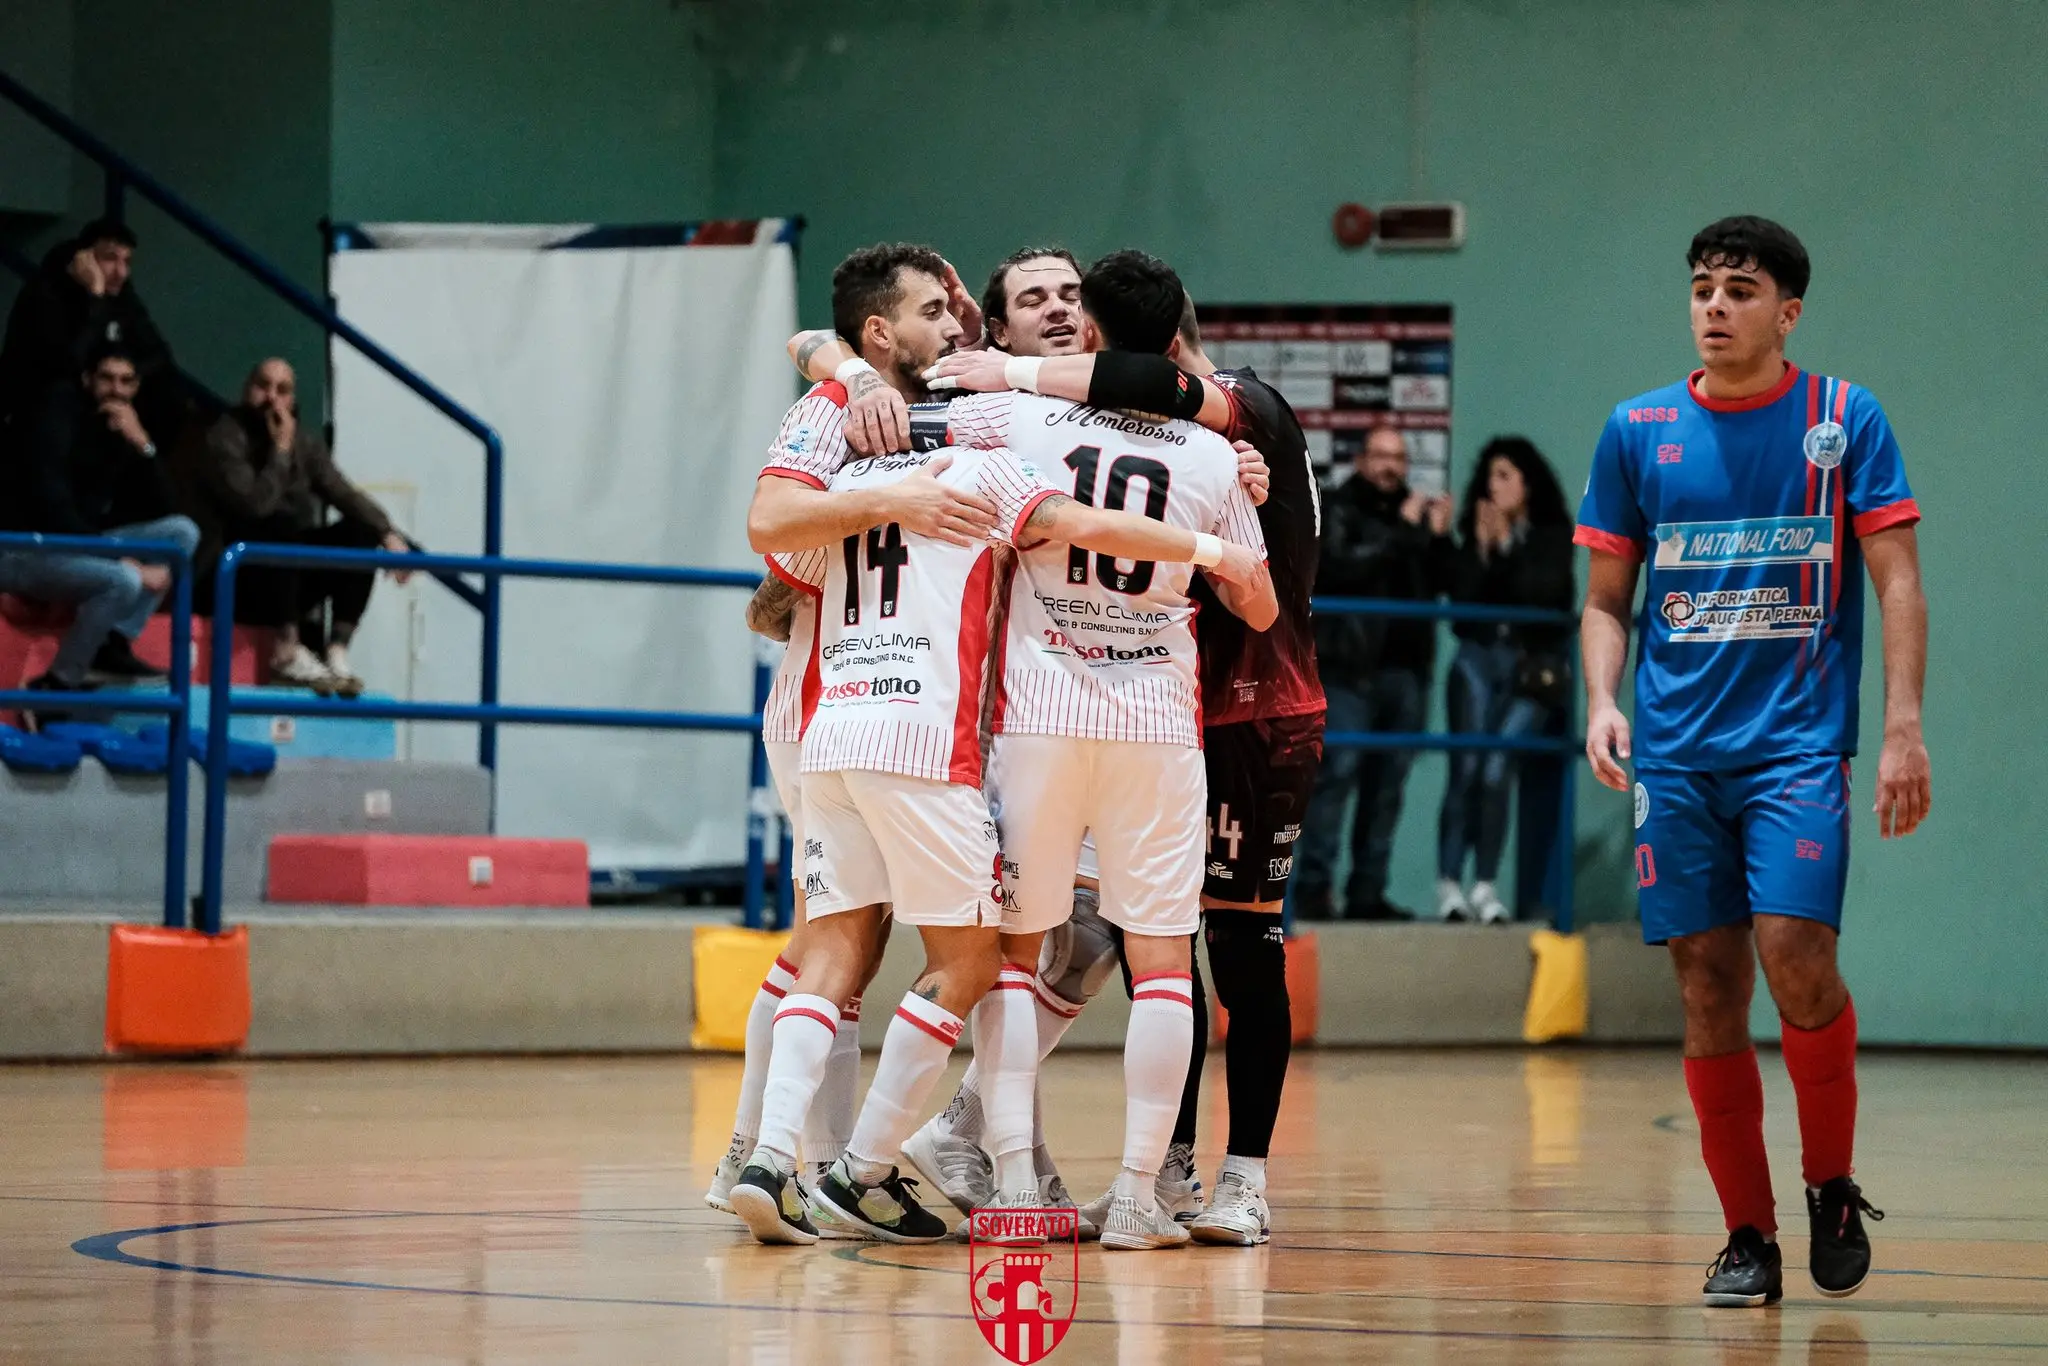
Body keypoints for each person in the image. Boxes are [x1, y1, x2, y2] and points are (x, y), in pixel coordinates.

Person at [735, 246, 1268, 1247]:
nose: (1058, 310)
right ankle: (868, 1163)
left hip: (900, 711)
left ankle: (810, 1156)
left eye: (1072, 295)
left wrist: (1224, 451)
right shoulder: (979, 418)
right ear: (986, 330)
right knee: (942, 953)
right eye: (1030, 300)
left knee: (910, 946)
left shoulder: (979, 417)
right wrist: (1214, 526)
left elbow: (791, 531)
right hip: (944, 722)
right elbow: (813, 358)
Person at [918, 290, 1322, 1248]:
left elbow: (935, 413)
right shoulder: (1213, 456)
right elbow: (1253, 596)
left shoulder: (1240, 407)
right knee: (1151, 952)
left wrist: (889, 370)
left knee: (1225, 949)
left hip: (1239, 711)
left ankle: (1230, 1178)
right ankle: (1152, 1177)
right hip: (1165, 715)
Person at [1577, 216, 1929, 1308]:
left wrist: (1903, 726)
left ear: (1787, 311)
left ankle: (1829, 1184)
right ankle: (1746, 1235)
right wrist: (1599, 698)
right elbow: (1602, 600)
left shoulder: (1841, 418)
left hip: (1793, 748)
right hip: (1675, 760)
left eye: (1739, 288)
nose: (1714, 305)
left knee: (1794, 958)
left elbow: (1896, 580)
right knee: (1704, 987)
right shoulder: (1636, 429)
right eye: (1700, 287)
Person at [706, 242, 989, 1236]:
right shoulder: (846, 403)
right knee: (842, 937)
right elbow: (771, 508)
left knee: (838, 941)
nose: (953, 321)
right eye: (934, 306)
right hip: (838, 694)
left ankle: (771, 1157)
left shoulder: (942, 396)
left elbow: (809, 340)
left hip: (852, 696)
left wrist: (842, 359)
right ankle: (799, 1157)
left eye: (960, 306)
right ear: (882, 329)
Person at [1295, 426, 1454, 921]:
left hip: (1407, 672)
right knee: (1336, 778)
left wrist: (1441, 538)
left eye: (1400, 458)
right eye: (1382, 456)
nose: (1392, 467)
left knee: (1387, 788)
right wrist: (1409, 533)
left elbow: (1442, 581)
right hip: (1349, 670)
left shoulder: (1415, 512)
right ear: (1361, 460)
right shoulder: (1338, 506)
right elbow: (1339, 569)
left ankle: (1368, 893)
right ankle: (1314, 891)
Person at [188, 358, 413, 695]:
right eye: (263, 386)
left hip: (287, 580)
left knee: (358, 533)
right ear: (246, 389)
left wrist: (388, 532)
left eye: (283, 390)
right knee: (278, 522)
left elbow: (342, 491)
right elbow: (255, 506)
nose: (272, 398)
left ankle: (336, 651)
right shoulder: (224, 436)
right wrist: (280, 450)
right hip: (236, 577)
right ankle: (286, 649)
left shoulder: (304, 443)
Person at [0, 341, 198, 715]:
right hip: (23, 547)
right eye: (106, 379)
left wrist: (142, 443)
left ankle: (112, 642)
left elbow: (167, 507)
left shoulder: (121, 429)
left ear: (136, 387)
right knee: (121, 580)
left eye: (126, 381)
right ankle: (57, 686)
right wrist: (128, 563)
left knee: (182, 532)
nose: (116, 390)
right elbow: (53, 512)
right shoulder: (56, 417)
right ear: (87, 379)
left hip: (74, 546)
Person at [1435, 436, 1576, 924]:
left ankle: (1486, 885)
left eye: (1505, 476)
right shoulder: (1477, 528)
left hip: (1527, 669)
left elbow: (1539, 596)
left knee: (1497, 768)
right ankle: (1449, 884)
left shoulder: (1552, 534)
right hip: (1477, 660)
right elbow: (1462, 604)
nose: (1494, 487)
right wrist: (1479, 548)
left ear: (1527, 483)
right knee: (1466, 769)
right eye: (1490, 476)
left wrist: (1506, 548)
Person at [0, 220, 176, 449]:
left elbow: (160, 353)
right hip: (44, 401)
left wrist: (127, 378)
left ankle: (147, 459)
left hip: (100, 392)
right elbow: (64, 363)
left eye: (127, 261)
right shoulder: (45, 294)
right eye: (111, 259)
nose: (121, 272)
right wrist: (96, 297)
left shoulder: (123, 296)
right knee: (60, 398)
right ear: (85, 259)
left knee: (169, 392)